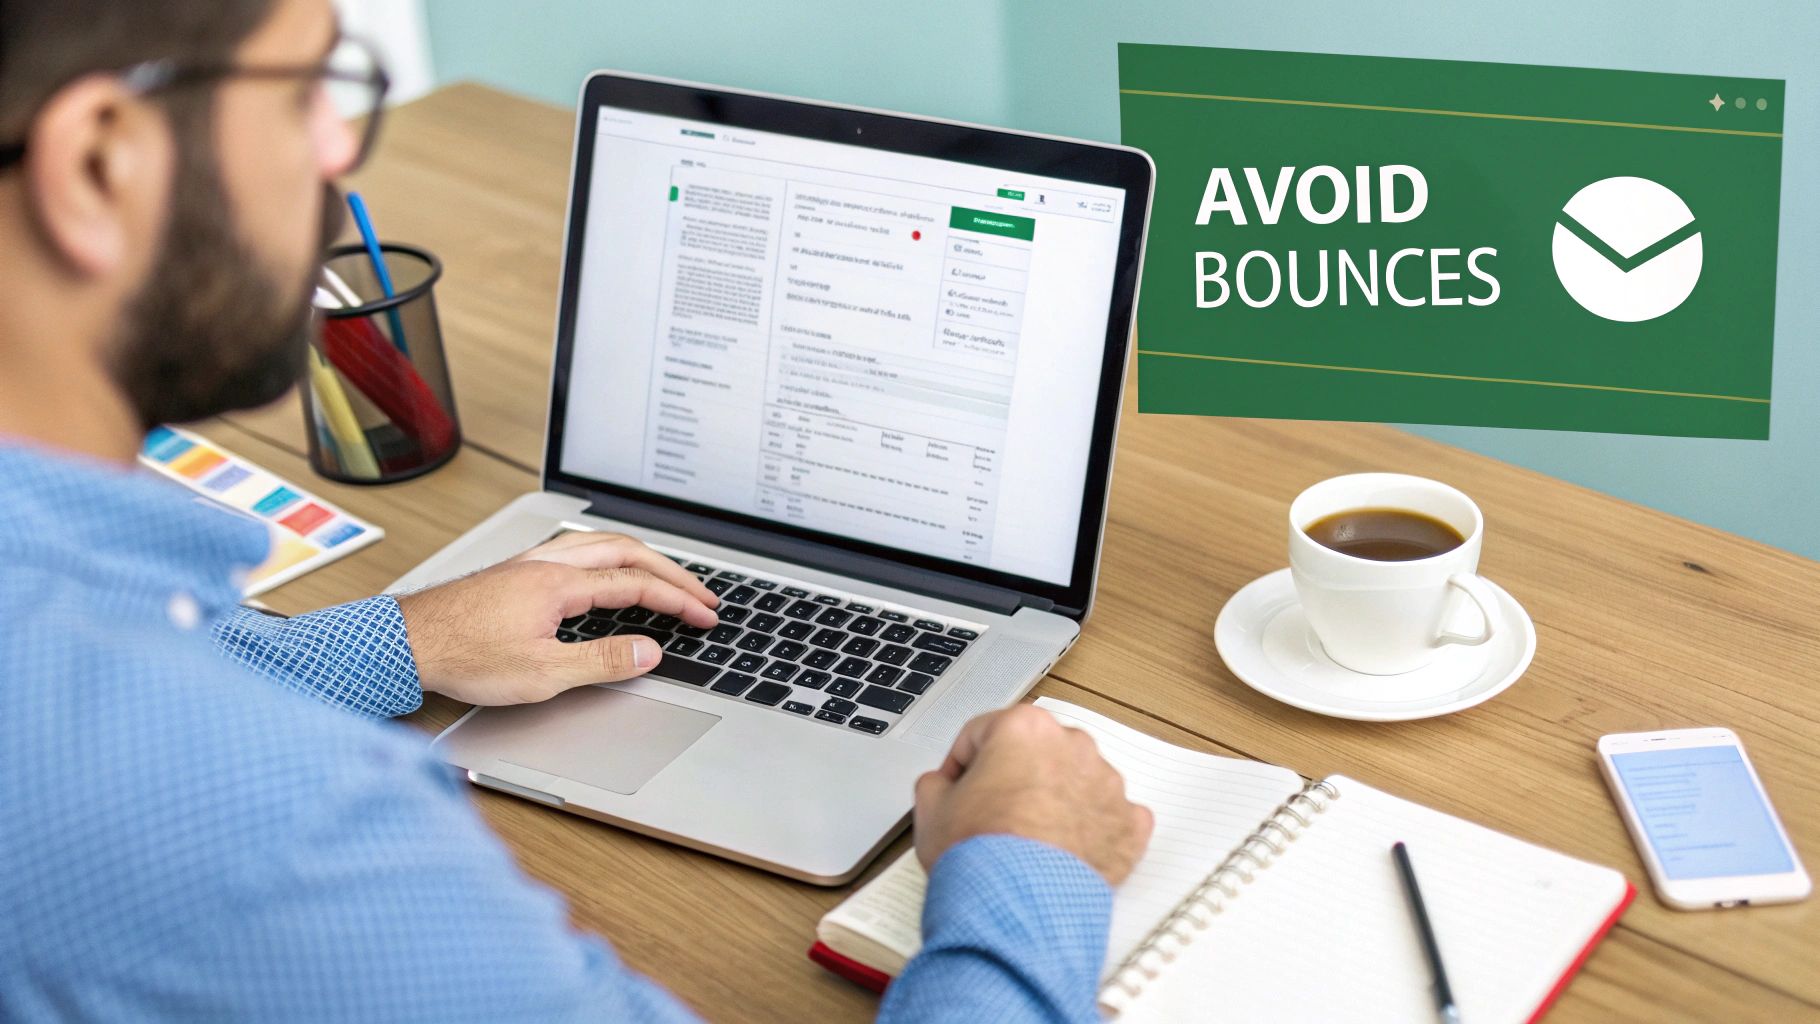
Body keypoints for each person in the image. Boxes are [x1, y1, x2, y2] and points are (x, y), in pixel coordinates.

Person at [0, 1, 1156, 1021]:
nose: (339, 149)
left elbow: (130, 671)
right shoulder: (274, 832)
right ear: (102, 163)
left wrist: (405, 638)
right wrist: (1023, 871)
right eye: (303, 89)